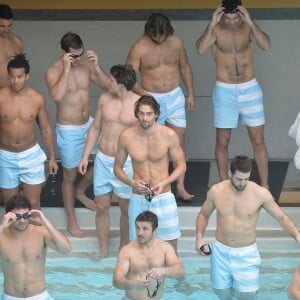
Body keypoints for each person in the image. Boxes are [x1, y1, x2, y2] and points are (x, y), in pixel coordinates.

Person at [195, 155, 300, 300]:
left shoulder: (260, 194)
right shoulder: (216, 191)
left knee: (248, 296)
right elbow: (203, 214)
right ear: (230, 173)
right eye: (239, 179)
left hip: (247, 254)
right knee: (222, 295)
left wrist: (297, 236)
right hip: (220, 252)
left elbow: (281, 217)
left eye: (246, 179)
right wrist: (199, 238)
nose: (242, 183)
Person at [195, 0, 270, 188]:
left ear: (241, 13)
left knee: (258, 139)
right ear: (221, 15)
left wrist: (251, 21)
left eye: (235, 18)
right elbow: (201, 49)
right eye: (227, 18)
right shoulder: (216, 29)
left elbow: (266, 45)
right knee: (223, 140)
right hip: (225, 90)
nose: (231, 22)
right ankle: (223, 184)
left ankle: (266, 185)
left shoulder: (248, 27)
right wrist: (212, 23)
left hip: (250, 88)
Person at [45, 32, 109, 237]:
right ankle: (71, 222)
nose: (78, 59)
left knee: (106, 157)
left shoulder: (86, 66)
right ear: (63, 53)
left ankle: (81, 191)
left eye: (80, 54)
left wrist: (97, 66)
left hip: (89, 124)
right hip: (69, 129)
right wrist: (66, 68)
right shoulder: (54, 71)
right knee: (70, 175)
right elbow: (57, 96)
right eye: (73, 56)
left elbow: (107, 85)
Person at [126, 12, 195, 201]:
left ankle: (180, 186)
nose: (159, 39)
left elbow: (185, 67)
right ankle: (159, 186)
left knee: (179, 143)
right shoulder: (139, 47)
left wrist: (190, 93)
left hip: (174, 96)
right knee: (154, 143)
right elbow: (128, 79)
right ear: (149, 31)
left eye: (162, 36)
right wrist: (144, 95)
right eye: (155, 36)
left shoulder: (177, 42)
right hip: (151, 97)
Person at [78, 64, 140, 258]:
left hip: (126, 162)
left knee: (125, 208)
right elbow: (95, 128)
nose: (107, 82)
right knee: (102, 206)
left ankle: (123, 247)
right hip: (103, 160)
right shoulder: (105, 99)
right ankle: (103, 250)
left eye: (111, 80)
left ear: (121, 85)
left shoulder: (139, 105)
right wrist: (85, 155)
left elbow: (146, 137)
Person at [114, 95, 186, 252]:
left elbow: (181, 166)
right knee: (138, 249)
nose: (145, 118)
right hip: (138, 198)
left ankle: (167, 277)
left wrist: (165, 182)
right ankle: (144, 277)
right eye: (141, 113)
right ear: (136, 114)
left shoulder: (168, 135)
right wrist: (132, 183)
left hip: (164, 197)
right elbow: (117, 168)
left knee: (170, 248)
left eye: (149, 114)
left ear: (156, 114)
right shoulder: (126, 136)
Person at [0, 54, 58, 209]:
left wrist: (52, 158)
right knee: (10, 205)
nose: (15, 81)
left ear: (27, 76)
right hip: (6, 156)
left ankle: (37, 233)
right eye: (12, 76)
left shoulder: (37, 98)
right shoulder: (1, 97)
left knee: (33, 203)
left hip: (30, 155)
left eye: (19, 77)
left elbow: (45, 129)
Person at [0, 194, 71, 299]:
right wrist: (2, 226)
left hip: (40, 296)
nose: (22, 221)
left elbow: (66, 250)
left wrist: (45, 222)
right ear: (8, 215)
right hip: (10, 297)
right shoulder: (2, 235)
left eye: (25, 216)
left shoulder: (41, 232)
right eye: (18, 217)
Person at [113, 210, 184, 300]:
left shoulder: (165, 248)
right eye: (137, 228)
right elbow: (116, 280)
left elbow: (180, 271)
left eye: (145, 229)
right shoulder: (127, 251)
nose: (140, 233)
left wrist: (164, 271)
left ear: (155, 230)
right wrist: (133, 284)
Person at [0, 3, 23, 88]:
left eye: (9, 26)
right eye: (2, 26)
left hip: (13, 91)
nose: (6, 30)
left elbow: (22, 67)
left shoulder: (17, 41)